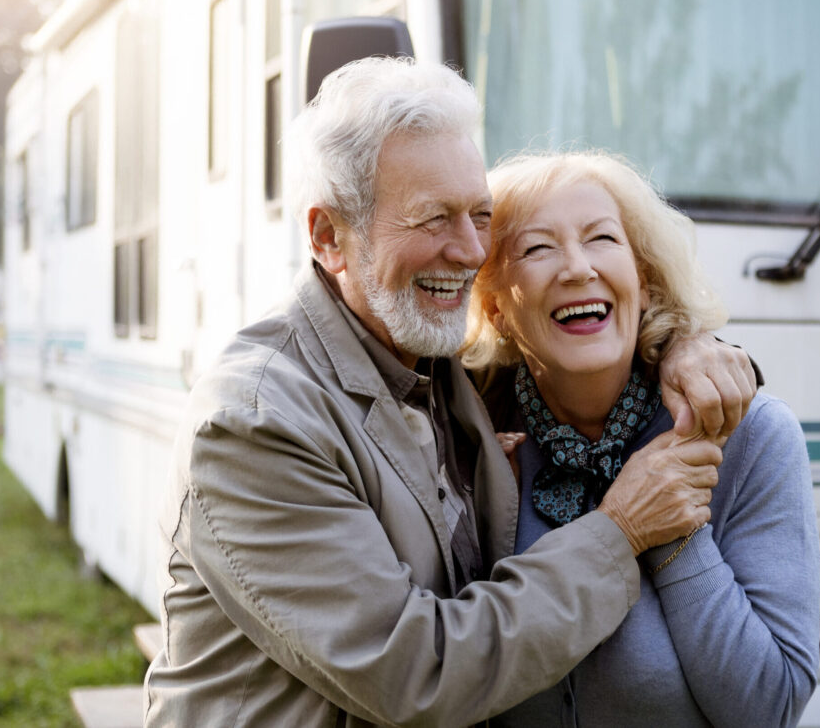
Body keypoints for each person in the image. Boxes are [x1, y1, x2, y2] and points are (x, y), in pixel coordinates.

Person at [142, 57, 758, 727]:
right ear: (327, 236)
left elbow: (582, 340)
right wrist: (621, 529)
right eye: (433, 218)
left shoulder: (434, 364)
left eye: (480, 215)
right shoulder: (256, 424)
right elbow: (417, 673)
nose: (470, 251)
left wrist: (689, 348)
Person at [461, 150, 820, 727]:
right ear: (496, 308)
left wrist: (674, 534)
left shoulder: (752, 435)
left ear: (645, 283)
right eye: (537, 247)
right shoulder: (466, 432)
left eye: (602, 238)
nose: (577, 268)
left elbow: (769, 709)